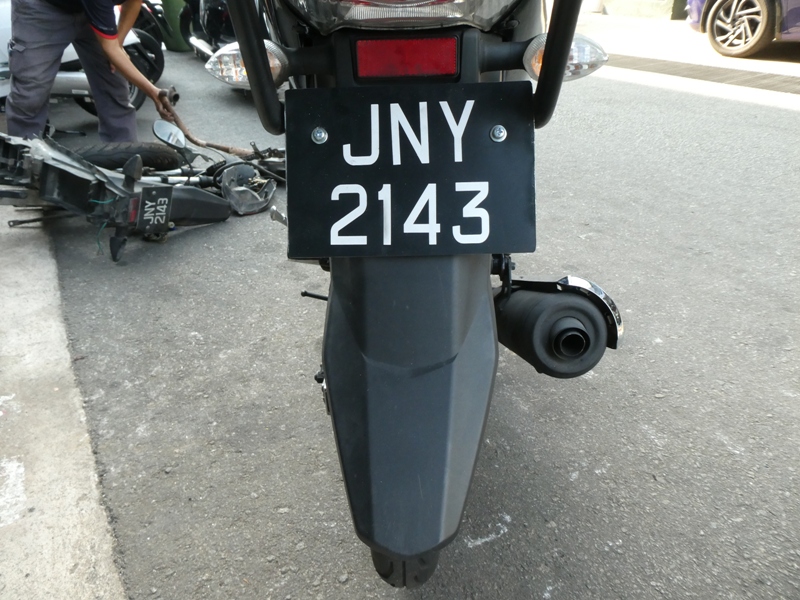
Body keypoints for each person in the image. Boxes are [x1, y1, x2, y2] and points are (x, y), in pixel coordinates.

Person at [5, 0, 173, 142]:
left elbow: (133, 2)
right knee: (30, 95)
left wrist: (119, 42)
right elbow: (109, 48)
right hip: (42, 8)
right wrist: (153, 92)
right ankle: (25, 159)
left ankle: (124, 158)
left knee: (114, 85)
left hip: (90, 9)